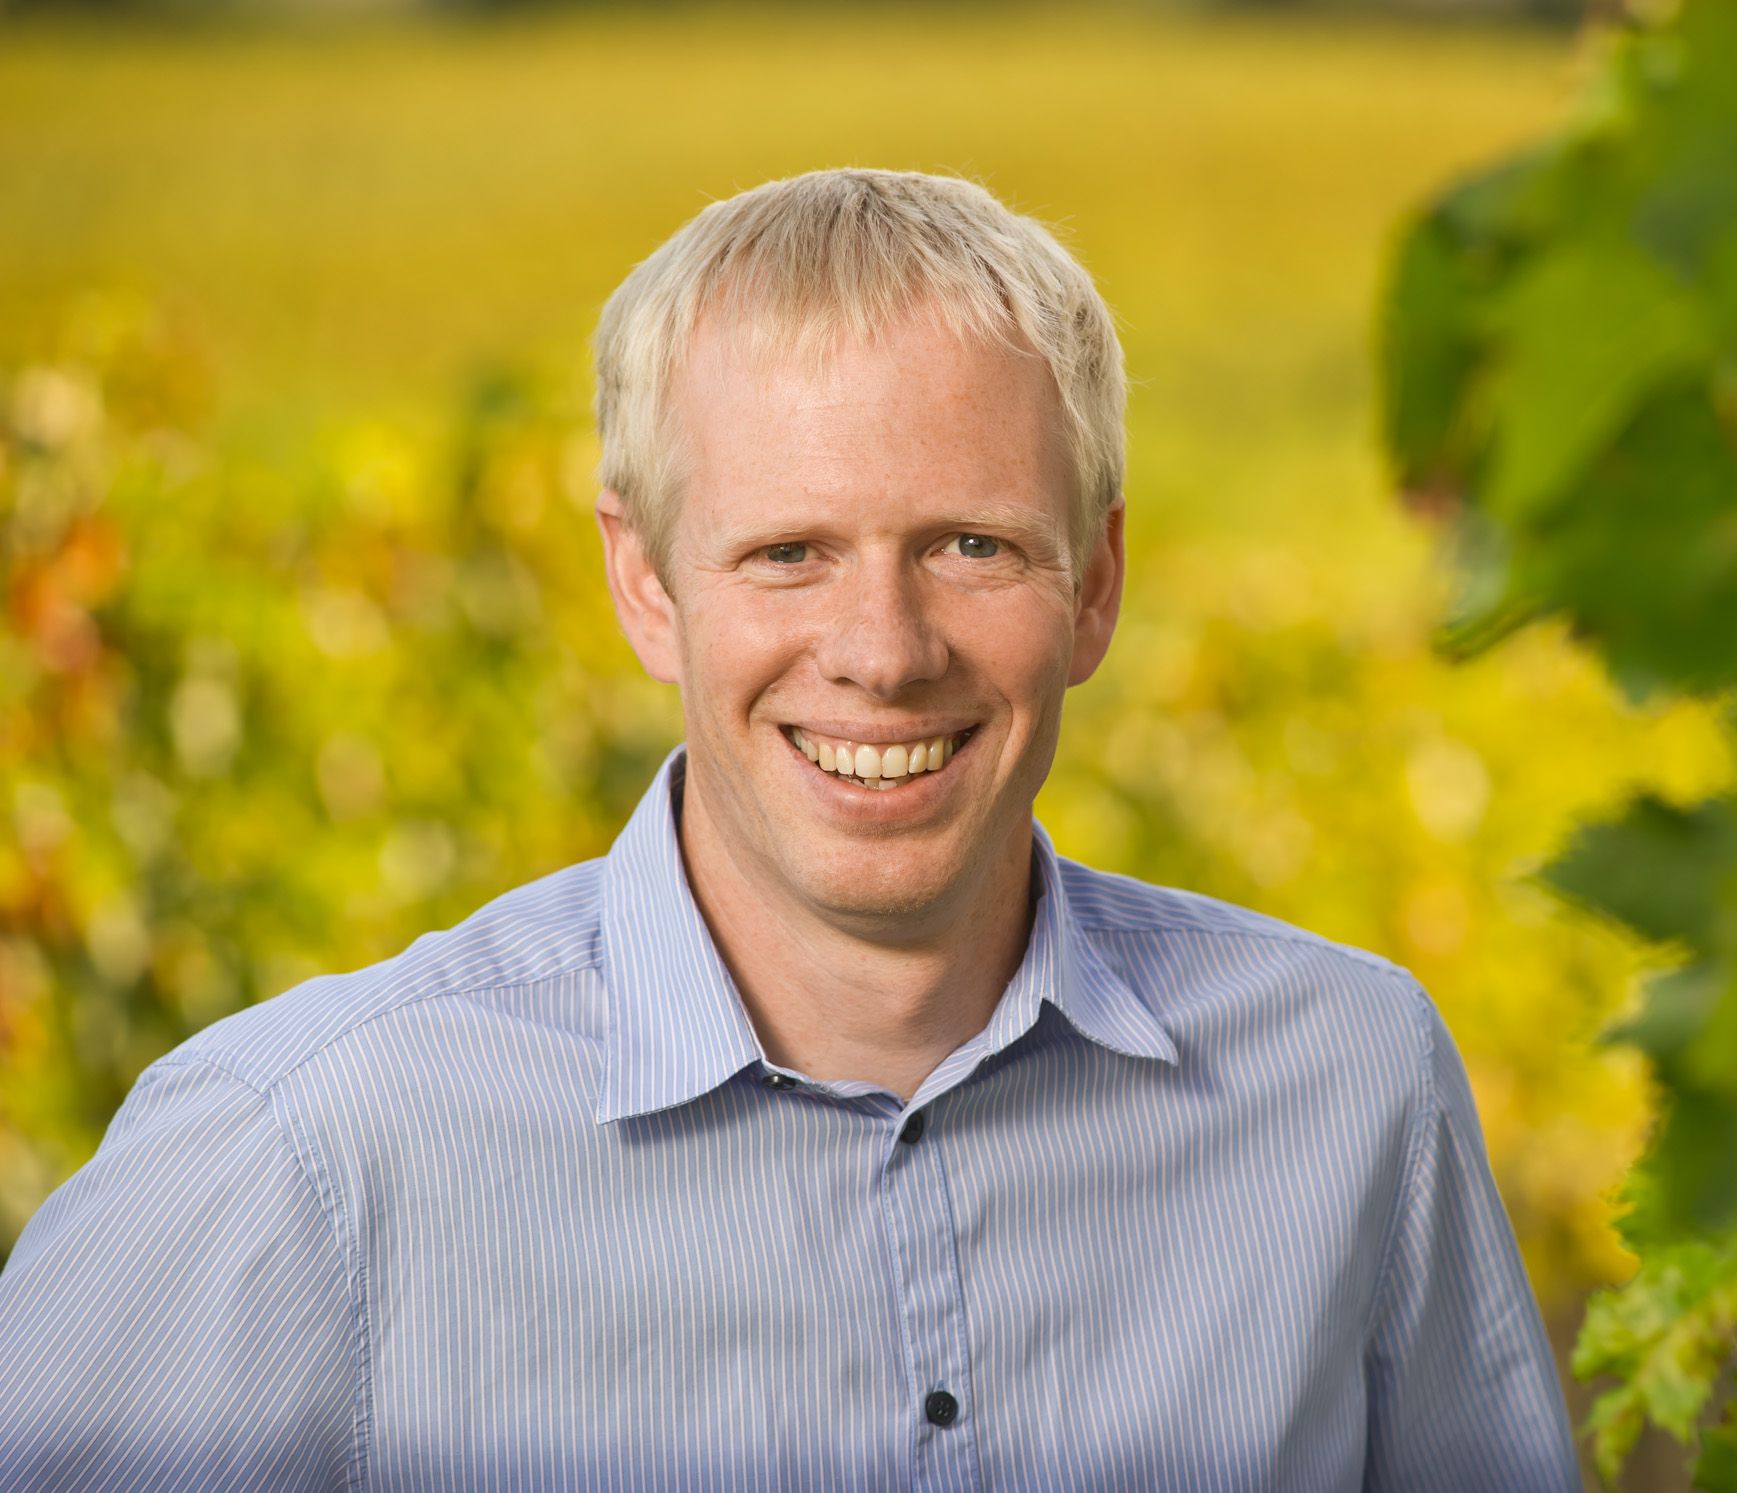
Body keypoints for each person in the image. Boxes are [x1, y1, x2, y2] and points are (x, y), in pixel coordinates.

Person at [0, 168, 1581, 1491]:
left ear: (1096, 582)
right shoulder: (307, 1159)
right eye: (789, 553)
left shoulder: (1348, 1087)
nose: (884, 650)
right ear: (644, 581)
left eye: (973, 544)